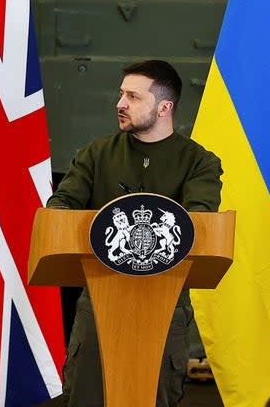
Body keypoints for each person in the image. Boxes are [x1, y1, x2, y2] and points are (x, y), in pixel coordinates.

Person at [46, 59, 222, 407]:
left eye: (133, 96)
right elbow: (62, 205)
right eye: (120, 94)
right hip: (98, 305)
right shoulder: (96, 154)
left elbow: (199, 221)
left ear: (164, 107)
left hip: (165, 306)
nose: (120, 103)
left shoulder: (199, 162)